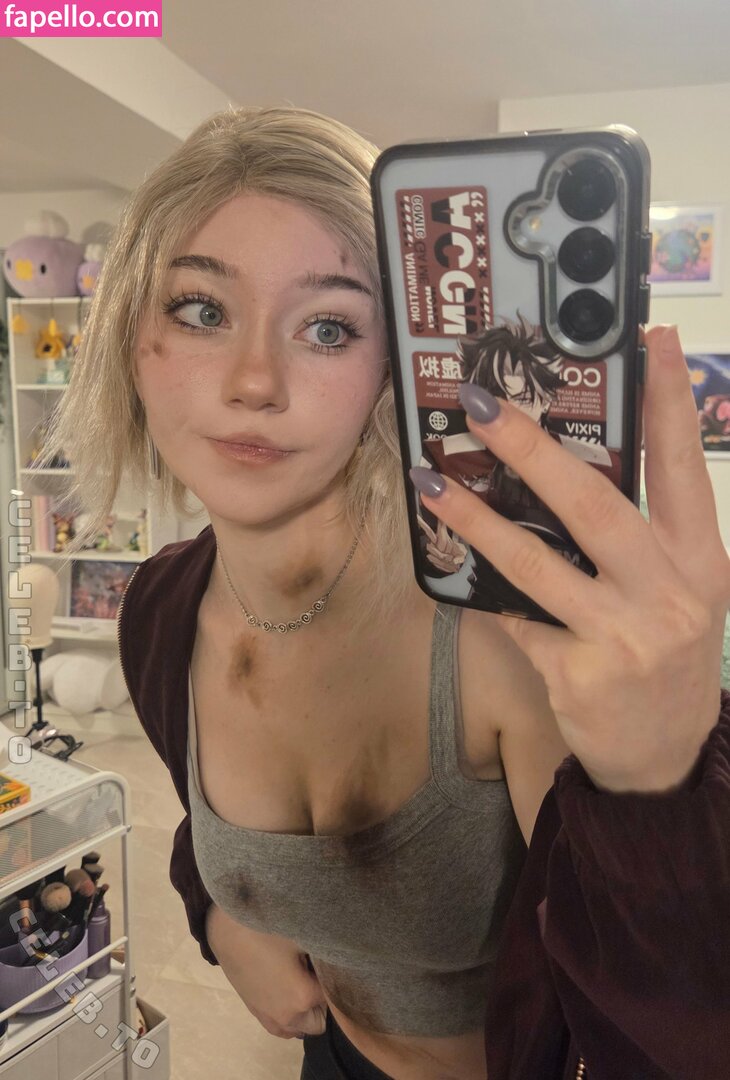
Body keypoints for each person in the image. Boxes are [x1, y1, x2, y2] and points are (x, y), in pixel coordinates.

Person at [41, 106, 730, 1080]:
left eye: (328, 327)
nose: (254, 381)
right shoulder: (159, 609)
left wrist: (660, 790)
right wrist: (218, 913)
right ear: (128, 337)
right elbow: (205, 825)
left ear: (393, 368)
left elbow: (660, 1029)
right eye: (201, 310)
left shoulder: (494, 641)